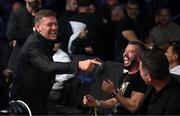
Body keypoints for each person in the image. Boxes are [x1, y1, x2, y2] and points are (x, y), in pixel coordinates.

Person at [10, 9, 101, 115]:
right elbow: (48, 66)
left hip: (38, 98)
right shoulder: (33, 44)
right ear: (38, 27)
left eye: (56, 24)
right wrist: (79, 64)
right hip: (25, 101)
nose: (54, 28)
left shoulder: (43, 41)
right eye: (49, 24)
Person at [83, 41, 147, 115]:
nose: (125, 54)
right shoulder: (124, 76)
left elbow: (133, 107)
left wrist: (113, 92)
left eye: (131, 51)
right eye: (125, 51)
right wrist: (96, 102)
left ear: (140, 57)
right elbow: (117, 101)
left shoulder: (141, 77)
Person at [138, 46, 180, 115]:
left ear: (149, 77)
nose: (139, 73)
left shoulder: (174, 104)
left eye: (140, 70)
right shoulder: (153, 84)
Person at [6, 0, 42, 78]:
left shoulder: (45, 15)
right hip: (20, 59)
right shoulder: (16, 14)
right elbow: (11, 34)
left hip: (39, 59)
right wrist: (33, 30)